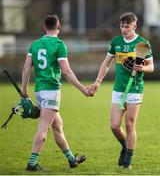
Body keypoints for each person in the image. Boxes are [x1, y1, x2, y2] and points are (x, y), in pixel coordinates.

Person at [22, 14, 93, 171]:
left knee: (58, 126)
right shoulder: (59, 45)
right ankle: (32, 164)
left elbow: (27, 67)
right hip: (52, 91)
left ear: (44, 27)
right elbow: (66, 72)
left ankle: (71, 160)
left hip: (39, 91)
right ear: (59, 26)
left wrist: (24, 89)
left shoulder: (35, 44)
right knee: (44, 128)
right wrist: (84, 90)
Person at [90, 12, 154, 169]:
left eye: (127, 26)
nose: (124, 29)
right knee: (114, 125)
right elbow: (106, 63)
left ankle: (128, 160)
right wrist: (98, 81)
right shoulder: (116, 42)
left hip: (135, 88)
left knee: (130, 124)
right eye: (122, 26)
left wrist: (143, 67)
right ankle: (125, 146)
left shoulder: (142, 44)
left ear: (134, 26)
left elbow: (151, 66)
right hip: (118, 89)